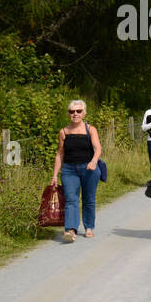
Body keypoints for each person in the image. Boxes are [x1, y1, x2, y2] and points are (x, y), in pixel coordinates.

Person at [50, 100, 102, 242]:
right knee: (71, 199)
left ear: (84, 113)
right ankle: (70, 230)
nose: (75, 114)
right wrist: (55, 174)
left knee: (88, 199)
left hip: (89, 169)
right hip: (69, 170)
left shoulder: (90, 129)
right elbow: (60, 153)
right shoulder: (63, 132)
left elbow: (98, 148)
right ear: (68, 113)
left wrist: (93, 161)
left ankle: (89, 227)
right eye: (72, 111)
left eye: (78, 111)